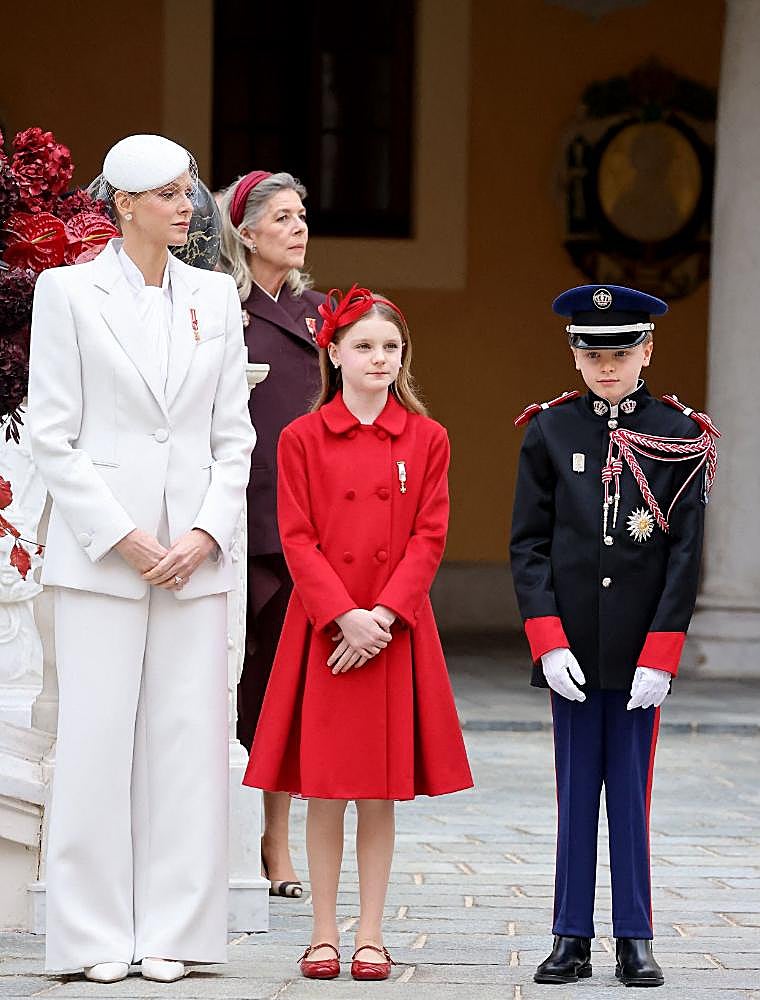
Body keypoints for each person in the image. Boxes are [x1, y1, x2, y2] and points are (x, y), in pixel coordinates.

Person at [28, 134, 256, 983]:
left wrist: (205, 531)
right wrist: (122, 533)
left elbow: (233, 435)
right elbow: (54, 433)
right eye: (168, 194)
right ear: (124, 203)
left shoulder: (213, 297)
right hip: (104, 557)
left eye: (189, 191)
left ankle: (176, 933)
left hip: (196, 557)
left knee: (190, 742)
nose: (188, 206)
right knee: (93, 742)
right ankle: (90, 938)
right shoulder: (67, 291)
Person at [243, 286, 473, 981]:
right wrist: (343, 614)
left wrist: (382, 617)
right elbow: (298, 535)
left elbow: (430, 535)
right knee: (325, 787)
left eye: (391, 347)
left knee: (377, 790)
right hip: (325, 634)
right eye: (365, 346)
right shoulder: (300, 438)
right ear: (334, 351)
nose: (379, 358)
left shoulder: (428, 439)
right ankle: (322, 932)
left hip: (394, 631)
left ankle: (370, 933)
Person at [510, 284, 720, 988]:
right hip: (570, 647)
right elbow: (529, 546)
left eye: (622, 351)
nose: (608, 365)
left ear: (647, 350)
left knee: (630, 795)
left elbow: (684, 556)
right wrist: (547, 639)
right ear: (574, 356)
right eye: (593, 351)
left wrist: (662, 653)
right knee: (575, 795)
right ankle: (570, 935)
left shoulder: (678, 435)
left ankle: (635, 935)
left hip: (637, 655)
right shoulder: (550, 431)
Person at [218, 170, 323, 898]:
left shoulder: (327, 316)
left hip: (308, 526)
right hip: (235, 521)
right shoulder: (215, 308)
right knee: (232, 684)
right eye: (281, 217)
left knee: (287, 688)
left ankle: (276, 840)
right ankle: (220, 830)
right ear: (246, 231)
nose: (297, 227)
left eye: (302, 215)